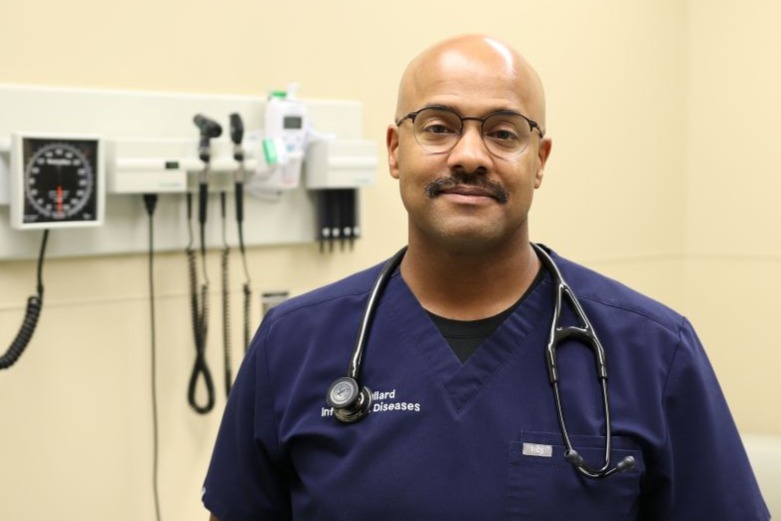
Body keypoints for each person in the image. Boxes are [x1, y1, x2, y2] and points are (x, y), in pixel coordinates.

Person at [202, 34, 770, 520]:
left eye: (503, 133)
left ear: (539, 159)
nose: (469, 155)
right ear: (396, 150)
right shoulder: (292, 343)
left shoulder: (654, 351)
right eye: (439, 127)